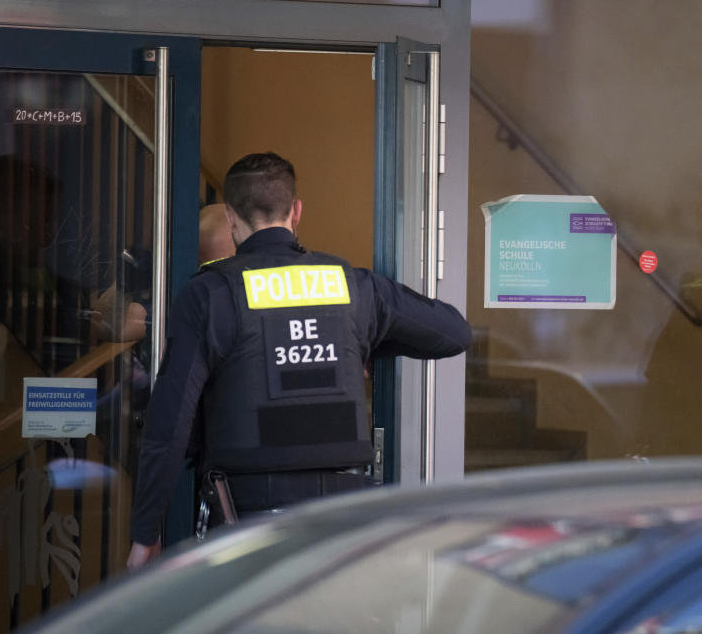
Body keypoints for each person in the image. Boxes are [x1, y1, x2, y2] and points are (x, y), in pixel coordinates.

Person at [127, 152, 472, 568]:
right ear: (297, 211)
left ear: (232, 218)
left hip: (248, 519)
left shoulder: (210, 295)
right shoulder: (353, 286)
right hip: (347, 525)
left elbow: (169, 425)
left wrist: (146, 532)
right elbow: (454, 333)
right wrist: (356, 341)